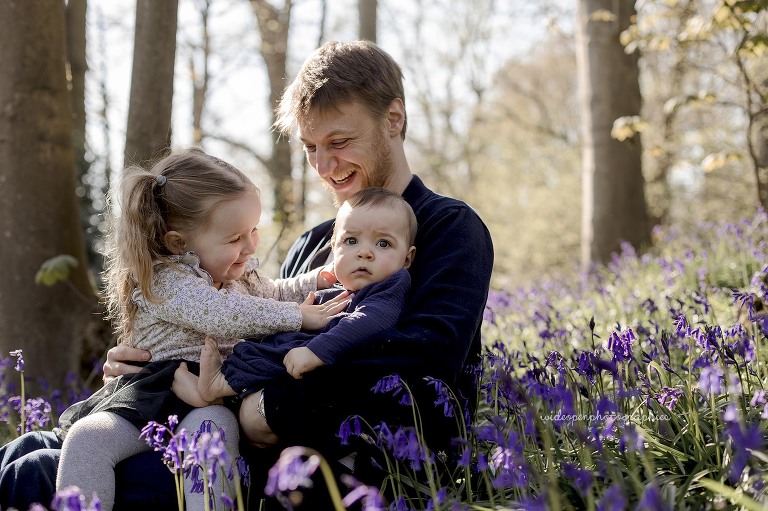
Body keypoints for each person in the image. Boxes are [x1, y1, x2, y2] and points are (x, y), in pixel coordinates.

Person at [0, 40, 494, 509]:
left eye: (340, 142)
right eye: (310, 148)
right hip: (209, 420)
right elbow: (250, 329)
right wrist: (152, 363)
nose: (325, 165)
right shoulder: (316, 243)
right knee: (26, 448)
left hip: (331, 466)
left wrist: (261, 407)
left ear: (394, 119)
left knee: (36, 472)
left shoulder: (448, 229)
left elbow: (422, 363)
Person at [2, 148, 349, 511]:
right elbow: (220, 315)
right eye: (234, 239)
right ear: (179, 242)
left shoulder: (237, 275)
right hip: (153, 394)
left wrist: (320, 278)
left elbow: (275, 291)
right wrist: (298, 316)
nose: (250, 246)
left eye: (253, 231)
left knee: (211, 440)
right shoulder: (166, 280)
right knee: (87, 440)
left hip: (212, 395)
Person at [173, 188, 416, 446]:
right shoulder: (336, 288)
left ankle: (218, 387)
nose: (365, 253)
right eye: (351, 241)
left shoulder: (390, 286)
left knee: (273, 355)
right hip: (296, 359)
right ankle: (218, 386)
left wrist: (316, 351)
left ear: (407, 259)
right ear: (334, 249)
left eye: (383, 243)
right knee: (259, 349)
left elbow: (370, 321)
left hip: (323, 363)